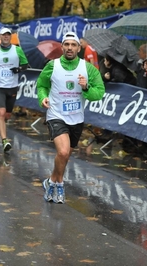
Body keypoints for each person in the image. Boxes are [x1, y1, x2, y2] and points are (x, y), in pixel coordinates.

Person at [37, 32, 105, 203]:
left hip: (76, 118)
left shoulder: (87, 68)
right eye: (66, 44)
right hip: (56, 114)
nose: (69, 48)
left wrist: (86, 87)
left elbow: (99, 92)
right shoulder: (52, 65)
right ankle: (60, 184)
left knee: (65, 156)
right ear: (62, 47)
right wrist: (42, 97)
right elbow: (41, 86)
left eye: (73, 45)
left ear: (79, 48)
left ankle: (51, 180)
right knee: (63, 151)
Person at [0, 27, 28, 152]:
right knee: (1, 112)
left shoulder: (17, 50)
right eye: (4, 35)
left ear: (10, 37)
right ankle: (5, 141)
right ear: (0, 37)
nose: (6, 37)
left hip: (12, 86)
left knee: (7, 115)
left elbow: (25, 65)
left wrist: (18, 69)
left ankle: (0, 121)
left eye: (8, 35)